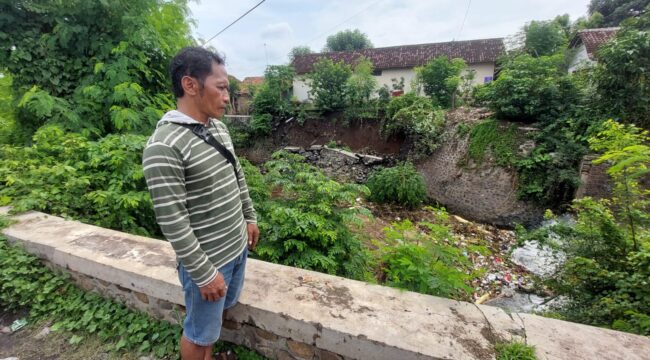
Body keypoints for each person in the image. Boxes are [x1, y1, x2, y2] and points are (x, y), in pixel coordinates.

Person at [142, 46, 259, 360]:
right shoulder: (164, 146)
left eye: (228, 89)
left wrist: (250, 216)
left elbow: (236, 174)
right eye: (221, 88)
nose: (226, 96)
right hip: (209, 262)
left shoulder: (218, 128)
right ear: (190, 85)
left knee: (213, 325)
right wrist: (205, 274)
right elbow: (172, 221)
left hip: (236, 249)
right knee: (198, 334)